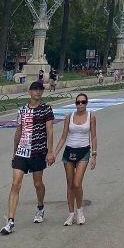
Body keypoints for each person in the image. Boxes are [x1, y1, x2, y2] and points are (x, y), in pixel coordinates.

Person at [0, 81, 55, 235]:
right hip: (22, 152)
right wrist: (15, 151)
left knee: (37, 183)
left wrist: (50, 151)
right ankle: (10, 221)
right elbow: (18, 131)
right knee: (15, 184)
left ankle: (40, 207)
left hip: (38, 151)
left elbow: (49, 130)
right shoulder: (22, 110)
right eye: (35, 89)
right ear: (29, 92)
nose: (38, 92)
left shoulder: (46, 109)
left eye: (40, 90)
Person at [52, 93, 97, 226]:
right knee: (70, 184)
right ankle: (71, 214)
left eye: (83, 102)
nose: (80, 104)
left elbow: (94, 137)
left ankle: (80, 211)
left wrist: (94, 155)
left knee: (77, 183)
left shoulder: (91, 116)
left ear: (86, 103)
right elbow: (63, 137)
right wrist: (54, 154)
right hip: (69, 152)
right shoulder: (69, 117)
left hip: (83, 152)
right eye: (78, 102)